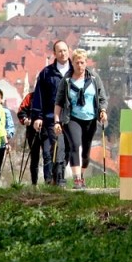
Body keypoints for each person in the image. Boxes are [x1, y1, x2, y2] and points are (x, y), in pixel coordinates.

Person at [54, 48, 108, 189]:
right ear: (72, 63)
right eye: (77, 62)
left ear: (86, 62)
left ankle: (82, 176)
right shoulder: (66, 80)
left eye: (82, 62)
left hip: (90, 119)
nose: (79, 65)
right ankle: (77, 179)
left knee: (86, 153)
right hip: (72, 118)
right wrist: (57, 121)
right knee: (75, 145)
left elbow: (102, 97)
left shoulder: (94, 78)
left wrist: (102, 110)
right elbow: (59, 102)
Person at [31, 40, 72, 186]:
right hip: (51, 117)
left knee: (67, 148)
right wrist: (37, 117)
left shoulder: (76, 71)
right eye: (59, 51)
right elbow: (39, 96)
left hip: (71, 118)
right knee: (57, 145)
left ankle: (55, 177)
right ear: (54, 54)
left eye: (65, 50)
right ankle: (59, 179)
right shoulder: (46, 73)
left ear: (69, 51)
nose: (63, 53)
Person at [17, 90, 42, 185]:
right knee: (34, 157)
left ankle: (49, 181)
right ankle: (34, 183)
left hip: (46, 131)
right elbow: (21, 111)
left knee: (48, 155)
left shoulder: (51, 95)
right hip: (32, 131)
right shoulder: (30, 97)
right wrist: (25, 119)